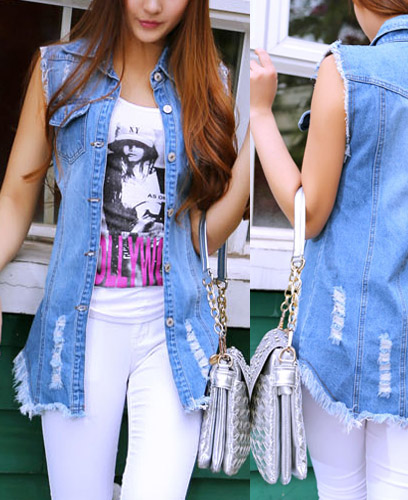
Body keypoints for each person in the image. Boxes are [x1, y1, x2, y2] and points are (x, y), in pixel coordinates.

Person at [250, 0, 408, 498]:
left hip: (335, 329)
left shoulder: (346, 70)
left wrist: (259, 114)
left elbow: (309, 214)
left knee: (339, 490)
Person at [0, 0, 249, 498]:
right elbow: (14, 198)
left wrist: (256, 140)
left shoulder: (209, 83)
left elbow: (201, 237)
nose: (153, 6)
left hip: (173, 336)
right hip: (81, 332)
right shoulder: (59, 71)